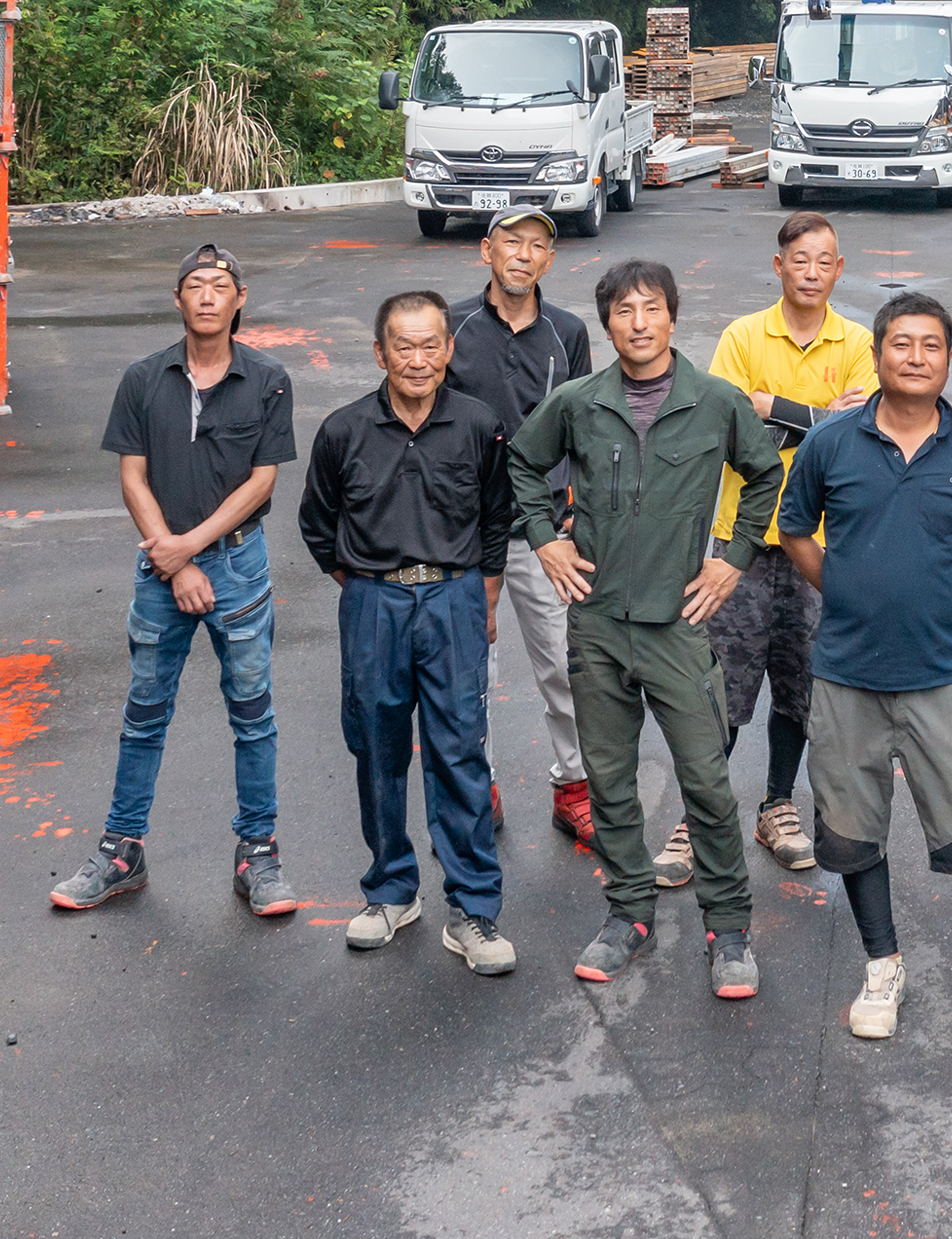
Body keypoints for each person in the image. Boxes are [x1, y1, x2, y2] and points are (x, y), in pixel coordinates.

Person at [778, 292, 952, 1066]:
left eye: (931, 345)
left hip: (939, 677)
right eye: (901, 343)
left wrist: (932, 589)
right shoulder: (831, 444)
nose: (916, 357)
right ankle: (882, 968)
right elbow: (796, 531)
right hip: (845, 676)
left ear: (947, 359)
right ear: (878, 355)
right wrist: (844, 589)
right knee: (853, 828)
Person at [506, 260, 785, 1001]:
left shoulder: (717, 403)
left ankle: (728, 928)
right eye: (623, 310)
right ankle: (628, 913)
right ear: (607, 323)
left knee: (706, 782)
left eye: (650, 308)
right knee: (609, 783)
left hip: (677, 624)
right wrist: (545, 538)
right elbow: (523, 465)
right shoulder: (577, 402)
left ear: (671, 317)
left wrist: (732, 558)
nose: (637, 322)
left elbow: (765, 475)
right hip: (596, 622)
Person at [52, 244, 298, 917]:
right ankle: (121, 851)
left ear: (240, 299)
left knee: (253, 713)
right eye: (196, 285)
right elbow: (132, 475)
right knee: (144, 711)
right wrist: (177, 561)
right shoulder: (142, 378)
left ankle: (259, 855)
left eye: (221, 285)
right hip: (163, 568)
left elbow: (263, 480)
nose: (209, 296)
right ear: (179, 300)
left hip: (238, 565)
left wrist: (190, 549)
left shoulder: (269, 378)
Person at [299, 292, 518, 974]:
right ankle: (392, 890)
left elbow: (495, 518)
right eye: (404, 346)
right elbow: (317, 524)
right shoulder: (343, 431)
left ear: (449, 349)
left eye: (431, 346)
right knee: (377, 746)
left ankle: (474, 908)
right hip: (374, 603)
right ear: (380, 354)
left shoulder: (479, 425)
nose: (418, 360)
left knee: (459, 750)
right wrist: (368, 588)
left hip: (453, 599)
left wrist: (479, 596)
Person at [702, 209, 877, 877]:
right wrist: (819, 422)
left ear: (839, 269)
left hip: (823, 545)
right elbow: (728, 416)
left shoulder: (858, 341)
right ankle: (701, 813)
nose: (811, 271)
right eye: (798, 259)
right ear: (778, 266)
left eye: (823, 260)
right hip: (741, 540)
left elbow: (856, 434)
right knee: (720, 684)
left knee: (801, 684)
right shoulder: (743, 334)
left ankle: (777, 804)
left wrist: (771, 406)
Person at [443, 209, 595, 841]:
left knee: (564, 663)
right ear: (486, 251)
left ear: (549, 261)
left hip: (544, 533)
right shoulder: (449, 328)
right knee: (468, 667)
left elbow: (588, 431)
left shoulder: (568, 332)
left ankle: (574, 787)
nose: (523, 255)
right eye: (512, 242)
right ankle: (476, 785)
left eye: (538, 246)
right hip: (458, 532)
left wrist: (576, 518)